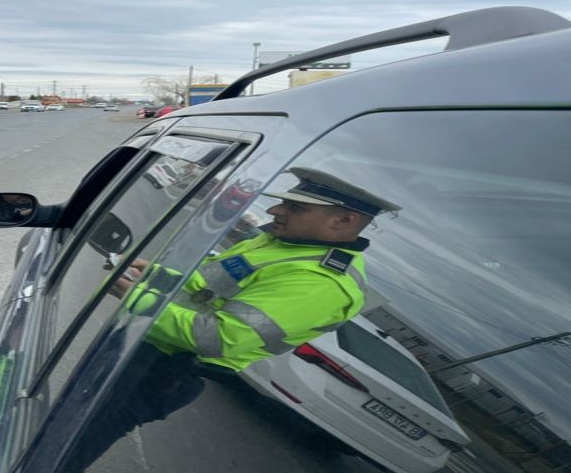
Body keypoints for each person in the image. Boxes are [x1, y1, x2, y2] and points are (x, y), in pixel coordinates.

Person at [67, 167, 402, 470]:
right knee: (62, 420)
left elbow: (217, 337)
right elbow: (204, 288)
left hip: (160, 371)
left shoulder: (321, 282)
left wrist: (137, 297)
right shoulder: (281, 244)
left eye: (296, 207)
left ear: (344, 220)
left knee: (66, 446)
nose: (275, 210)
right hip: (140, 348)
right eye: (284, 202)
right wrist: (154, 274)